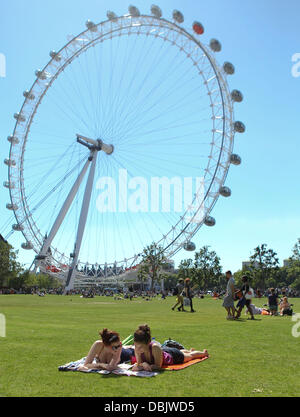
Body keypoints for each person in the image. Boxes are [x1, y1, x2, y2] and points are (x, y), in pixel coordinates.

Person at [131, 324, 208, 371]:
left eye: (140, 347)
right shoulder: (137, 348)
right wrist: (142, 364)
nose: (137, 349)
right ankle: (189, 350)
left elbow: (158, 366)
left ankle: (203, 353)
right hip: (164, 352)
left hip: (173, 356)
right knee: (184, 352)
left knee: (191, 356)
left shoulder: (155, 347)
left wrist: (144, 365)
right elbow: (139, 363)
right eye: (136, 346)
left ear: (148, 343)